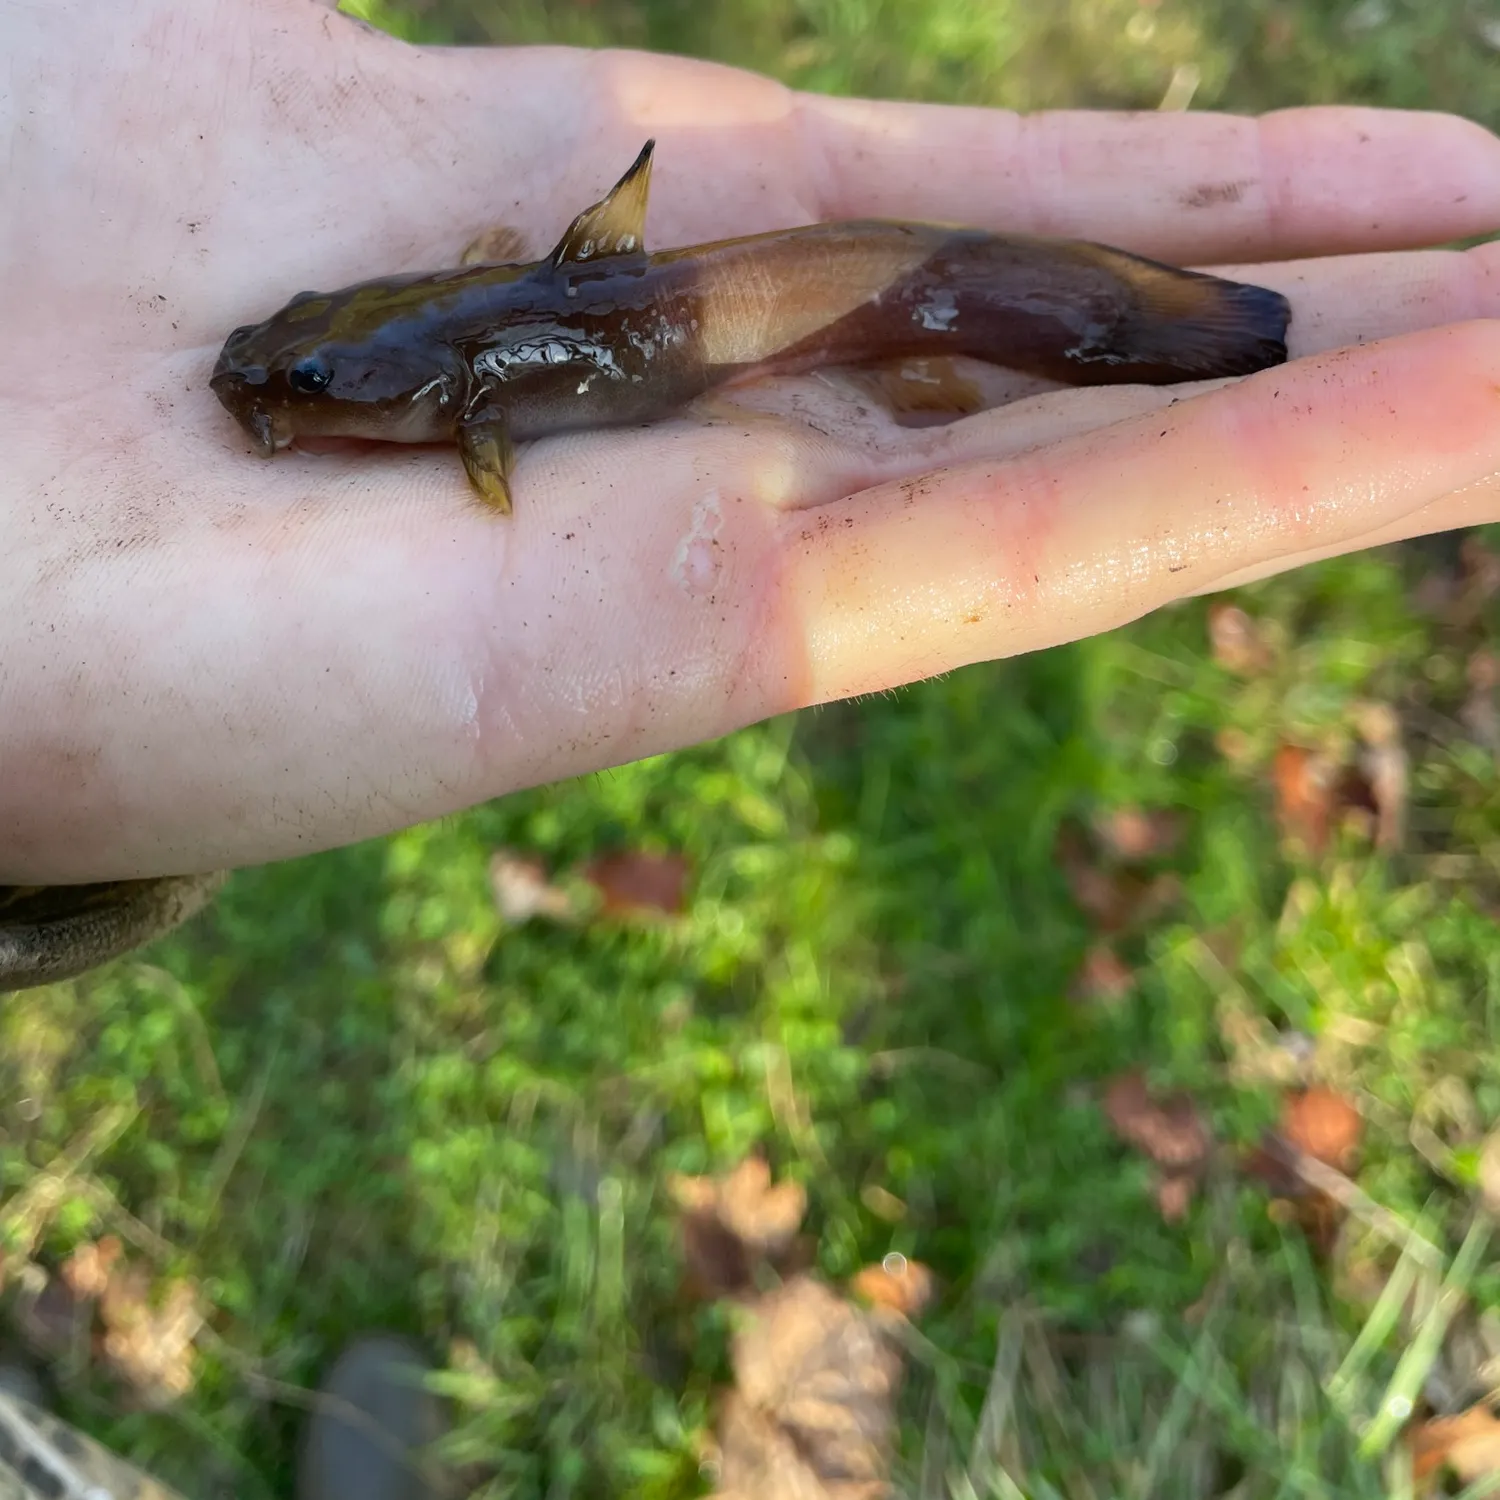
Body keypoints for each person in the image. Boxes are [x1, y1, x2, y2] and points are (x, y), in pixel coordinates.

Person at [3, 0, 1500, 1488]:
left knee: (968, 294)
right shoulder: (428, 360)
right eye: (296, 372)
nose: (267, 387)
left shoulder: (468, 378)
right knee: (942, 292)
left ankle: (1203, 329)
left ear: (452, 406)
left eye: (302, 377)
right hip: (698, 305)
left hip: (763, 303)